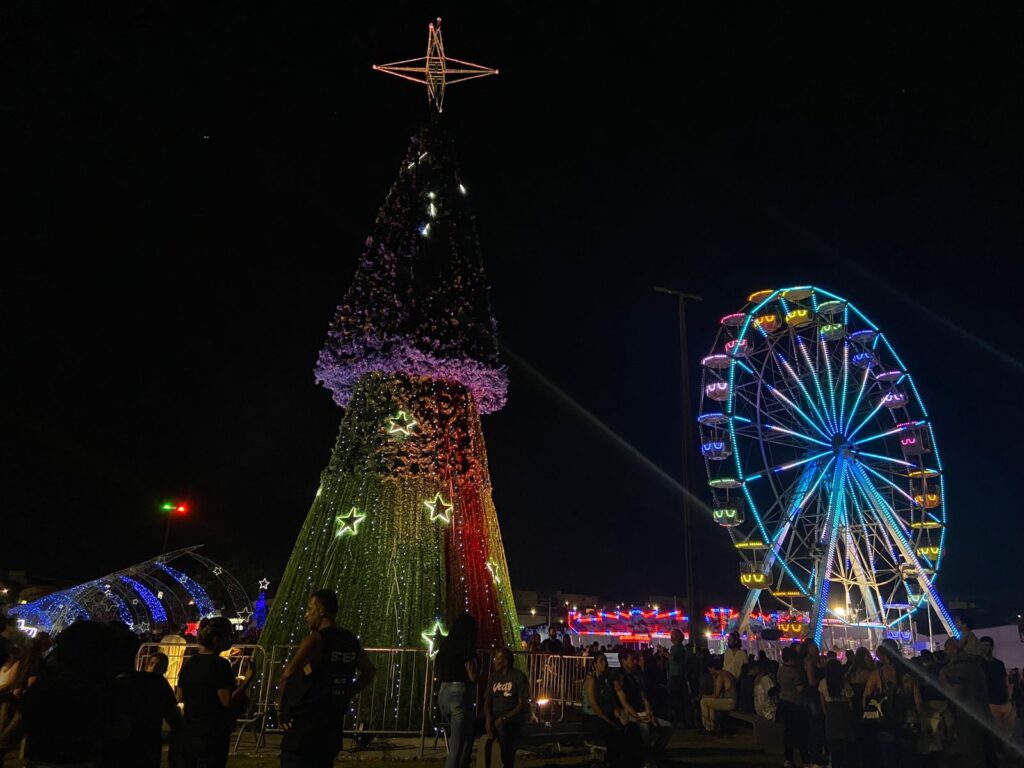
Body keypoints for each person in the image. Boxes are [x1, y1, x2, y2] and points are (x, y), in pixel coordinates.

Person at [278, 589, 375, 768]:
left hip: (306, 726)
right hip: (331, 726)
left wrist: (282, 710)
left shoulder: (316, 640)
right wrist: (347, 691)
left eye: (310, 609)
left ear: (322, 611)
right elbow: (368, 671)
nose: (306, 615)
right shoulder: (350, 640)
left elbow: (288, 674)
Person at [22, 620, 110, 767]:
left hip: (44, 756)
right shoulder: (98, 683)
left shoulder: (49, 675)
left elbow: (29, 708)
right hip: (79, 757)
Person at [176, 616, 250, 768]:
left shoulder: (190, 663)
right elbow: (227, 700)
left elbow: (179, 696)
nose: (231, 640)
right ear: (217, 640)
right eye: (228, 636)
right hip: (212, 733)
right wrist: (248, 679)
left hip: (189, 731)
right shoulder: (221, 665)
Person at [104, 624, 182, 768]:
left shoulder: (105, 684)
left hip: (114, 754)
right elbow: (175, 720)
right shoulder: (157, 683)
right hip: (147, 751)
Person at [613, 649, 670, 768]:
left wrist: (649, 713)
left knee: (668, 727)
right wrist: (638, 717)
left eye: (635, 659)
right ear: (623, 661)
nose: (635, 662)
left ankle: (653, 756)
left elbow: (644, 696)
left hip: (640, 711)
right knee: (644, 728)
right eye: (632, 659)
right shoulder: (618, 677)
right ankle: (646, 758)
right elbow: (624, 703)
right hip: (627, 712)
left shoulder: (637, 674)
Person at [436, 613, 479, 768]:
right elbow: (472, 674)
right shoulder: (465, 645)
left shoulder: (445, 644)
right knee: (458, 745)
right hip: (459, 692)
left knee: (466, 738)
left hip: (443, 692)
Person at [483, 648, 528, 768]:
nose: (494, 661)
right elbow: (487, 700)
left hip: (512, 716)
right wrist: (488, 718)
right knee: (471, 725)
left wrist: (504, 718)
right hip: (494, 715)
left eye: (497, 659)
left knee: (503, 729)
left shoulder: (518, 676)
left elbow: (522, 704)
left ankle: (506, 763)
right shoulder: (494, 677)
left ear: (505, 661)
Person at [582, 652, 628, 767]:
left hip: (605, 714)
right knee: (611, 729)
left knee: (625, 728)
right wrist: (608, 720)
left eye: (605, 661)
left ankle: (619, 759)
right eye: (601, 661)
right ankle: (608, 759)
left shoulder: (606, 679)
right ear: (595, 664)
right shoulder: (592, 679)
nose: (605, 663)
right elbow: (593, 704)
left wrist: (616, 710)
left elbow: (612, 698)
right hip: (593, 716)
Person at [777, 645, 811, 768]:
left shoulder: (781, 670)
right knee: (800, 732)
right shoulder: (794, 672)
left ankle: (788, 758)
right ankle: (805, 759)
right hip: (795, 704)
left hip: (783, 702)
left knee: (788, 732)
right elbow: (800, 688)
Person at [819, 658, 855, 768]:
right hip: (843, 711)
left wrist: (827, 713)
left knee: (833, 744)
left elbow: (823, 703)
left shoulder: (823, 682)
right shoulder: (844, 682)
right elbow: (850, 702)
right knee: (845, 743)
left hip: (831, 712)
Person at [664, 629, 693, 727]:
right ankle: (684, 720)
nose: (670, 636)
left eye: (672, 635)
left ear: (676, 636)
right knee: (682, 698)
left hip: (676, 676)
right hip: (681, 675)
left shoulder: (676, 648)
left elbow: (673, 658)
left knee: (676, 699)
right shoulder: (682, 648)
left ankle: (678, 720)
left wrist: (663, 652)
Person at [698, 658, 737, 732]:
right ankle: (712, 725)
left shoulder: (721, 675)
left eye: (710, 670)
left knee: (703, 701)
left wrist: (704, 696)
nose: (710, 672)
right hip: (729, 701)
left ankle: (706, 724)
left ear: (713, 668)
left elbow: (716, 695)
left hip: (729, 702)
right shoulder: (724, 673)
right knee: (711, 704)